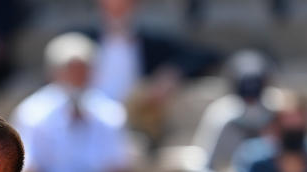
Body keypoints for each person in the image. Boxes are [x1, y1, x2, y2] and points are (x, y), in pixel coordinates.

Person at [11, 33, 132, 172]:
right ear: (54, 73)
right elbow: (28, 170)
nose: (78, 77)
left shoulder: (110, 113)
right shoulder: (33, 112)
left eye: (83, 70)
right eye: (71, 70)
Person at [86, 0, 219, 141]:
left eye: (124, 4)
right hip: (86, 125)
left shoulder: (152, 45)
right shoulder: (83, 39)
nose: (117, 9)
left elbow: (204, 56)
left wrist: (171, 75)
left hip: (135, 128)